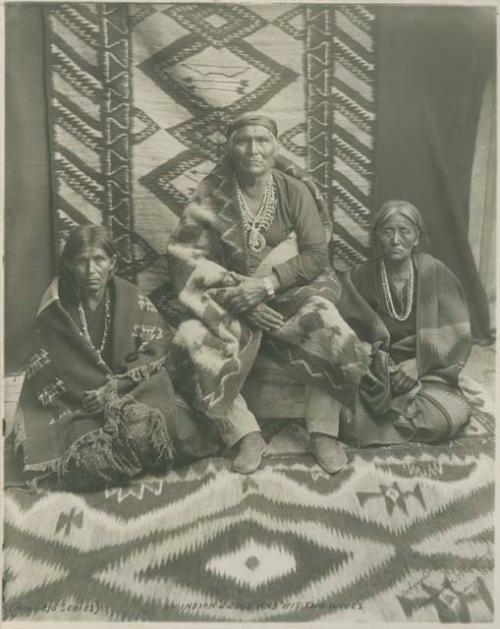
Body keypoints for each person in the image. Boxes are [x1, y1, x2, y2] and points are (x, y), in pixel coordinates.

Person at [167, 112, 371, 475]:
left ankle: (323, 431)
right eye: (243, 140)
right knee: (190, 339)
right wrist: (243, 302)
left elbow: (315, 254)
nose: (253, 149)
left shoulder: (295, 191)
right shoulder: (210, 196)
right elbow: (188, 259)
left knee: (330, 326)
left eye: (262, 140)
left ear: (276, 146)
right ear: (230, 148)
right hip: (229, 298)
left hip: (290, 290)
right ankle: (244, 434)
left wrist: (265, 286)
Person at [13, 225, 220, 490]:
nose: (91, 271)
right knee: (85, 461)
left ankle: (128, 455)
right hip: (79, 413)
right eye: (81, 261)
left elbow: (159, 345)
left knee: (154, 427)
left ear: (113, 263)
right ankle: (124, 458)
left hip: (132, 397)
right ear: (68, 264)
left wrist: (114, 389)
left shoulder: (129, 297)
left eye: (99, 260)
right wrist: (93, 396)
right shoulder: (55, 313)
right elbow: (47, 380)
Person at [338, 200, 472, 446]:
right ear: (377, 236)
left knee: (446, 416)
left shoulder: (436, 273)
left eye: (404, 231)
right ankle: (395, 422)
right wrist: (380, 366)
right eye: (388, 231)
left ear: (417, 238)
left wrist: (419, 364)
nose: (395, 240)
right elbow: (346, 332)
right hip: (376, 376)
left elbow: (457, 334)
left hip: (428, 373)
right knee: (344, 416)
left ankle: (388, 426)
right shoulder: (360, 277)